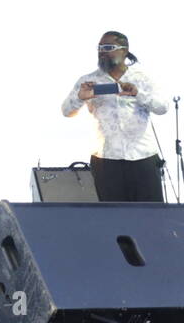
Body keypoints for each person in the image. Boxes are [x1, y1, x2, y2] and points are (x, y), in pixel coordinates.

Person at [61, 32, 168, 201]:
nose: (102, 52)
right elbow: (67, 111)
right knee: (113, 218)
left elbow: (163, 107)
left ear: (124, 50)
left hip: (142, 157)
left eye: (109, 48)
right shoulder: (89, 80)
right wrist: (80, 97)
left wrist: (138, 94)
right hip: (106, 160)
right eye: (100, 48)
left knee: (151, 217)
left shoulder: (141, 78)